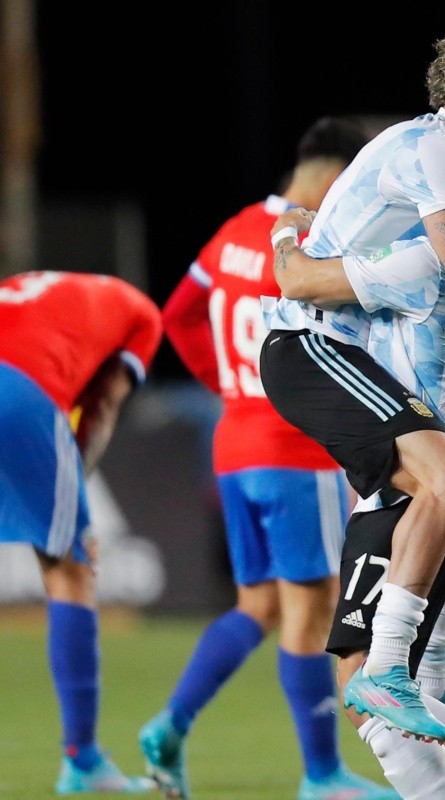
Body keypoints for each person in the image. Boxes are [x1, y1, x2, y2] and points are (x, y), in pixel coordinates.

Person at [260, 20, 445, 743]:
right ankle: (389, 673)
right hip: (313, 343)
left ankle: (433, 679)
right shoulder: (432, 155)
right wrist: (287, 238)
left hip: (358, 354)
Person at [138, 118, 400, 800]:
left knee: (256, 603)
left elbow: (178, 314)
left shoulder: (232, 231)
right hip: (293, 444)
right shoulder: (313, 242)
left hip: (233, 443)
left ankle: (170, 723)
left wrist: (228, 384)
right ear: (338, 175)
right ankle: (321, 777)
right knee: (308, 612)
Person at [0, 270, 162, 794]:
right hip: (19, 390)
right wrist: (75, 491)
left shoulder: (28, 284)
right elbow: (102, 405)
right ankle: (83, 761)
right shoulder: (140, 314)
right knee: (72, 571)